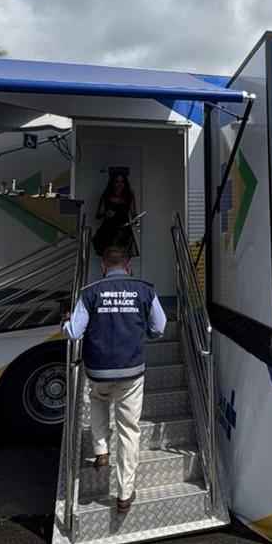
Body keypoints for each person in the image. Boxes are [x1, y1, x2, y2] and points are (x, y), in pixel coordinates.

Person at [62, 245, 166, 511]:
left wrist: (65, 322)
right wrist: (147, 332)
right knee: (128, 429)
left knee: (98, 399)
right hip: (131, 371)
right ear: (129, 267)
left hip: (98, 370)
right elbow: (159, 327)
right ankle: (124, 494)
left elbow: (73, 332)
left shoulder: (90, 292)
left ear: (103, 267)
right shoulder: (145, 290)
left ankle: (101, 451)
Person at [92, 172, 138, 257]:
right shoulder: (106, 196)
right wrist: (106, 213)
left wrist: (136, 220)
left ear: (125, 183)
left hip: (123, 230)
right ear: (112, 183)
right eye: (117, 181)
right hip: (108, 230)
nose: (119, 184)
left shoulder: (129, 196)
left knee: (122, 255)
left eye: (122, 181)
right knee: (108, 255)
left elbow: (134, 214)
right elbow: (98, 215)